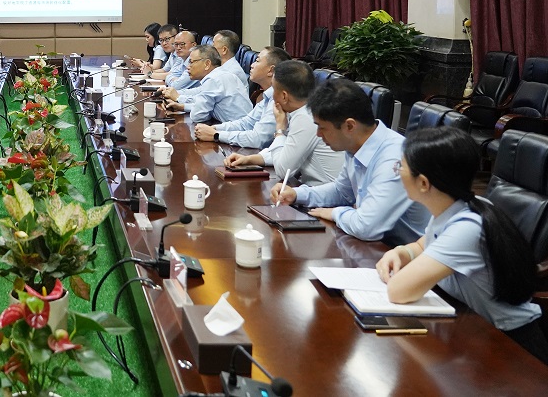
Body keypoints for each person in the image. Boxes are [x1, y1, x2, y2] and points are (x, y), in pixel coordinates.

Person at [377, 127, 548, 364]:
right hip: (475, 331)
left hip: (511, 349)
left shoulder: (467, 227)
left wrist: (403, 272)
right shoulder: (454, 208)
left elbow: (399, 291)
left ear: (424, 183)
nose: (397, 172)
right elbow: (423, 246)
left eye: (400, 167)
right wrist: (401, 252)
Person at [271, 78, 429, 245]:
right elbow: (341, 192)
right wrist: (297, 194)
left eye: (322, 127)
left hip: (408, 252)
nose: (318, 134)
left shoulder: (394, 158)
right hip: (379, 247)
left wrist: (335, 213)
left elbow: (366, 226)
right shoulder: (355, 146)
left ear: (350, 126)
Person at [223, 60, 343, 184]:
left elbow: (283, 170)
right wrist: (250, 159)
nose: (271, 94)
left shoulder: (305, 118)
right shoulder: (302, 111)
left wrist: (280, 129)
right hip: (308, 187)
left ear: (284, 96)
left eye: (273, 89)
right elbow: (286, 153)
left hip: (323, 193)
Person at [195, 46, 291, 147]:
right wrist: (214, 128)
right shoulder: (267, 97)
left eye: (257, 61)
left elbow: (258, 139)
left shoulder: (279, 101)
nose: (252, 65)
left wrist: (216, 135)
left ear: (271, 70)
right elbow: (246, 123)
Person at [164, 44, 251, 124]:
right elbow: (200, 99)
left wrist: (179, 99)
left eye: (191, 62)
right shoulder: (220, 74)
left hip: (238, 130)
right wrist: (182, 106)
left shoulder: (213, 79)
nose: (188, 67)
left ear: (207, 64)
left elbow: (197, 116)